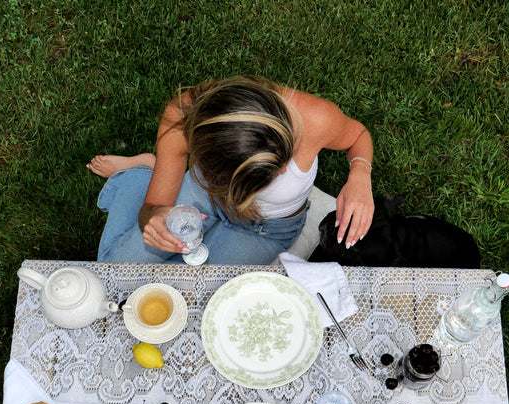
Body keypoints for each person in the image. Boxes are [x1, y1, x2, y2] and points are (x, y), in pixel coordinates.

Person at [89, 76, 374, 265]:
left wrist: (360, 175)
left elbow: (358, 136)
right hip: (203, 199)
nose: (286, 168)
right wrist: (154, 219)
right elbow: (153, 208)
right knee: (117, 269)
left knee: (195, 296)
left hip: (265, 230)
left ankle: (156, 167)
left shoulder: (315, 118)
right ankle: (153, 167)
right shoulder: (183, 121)